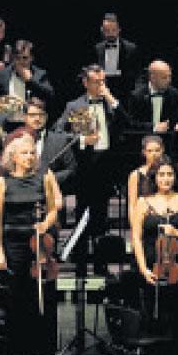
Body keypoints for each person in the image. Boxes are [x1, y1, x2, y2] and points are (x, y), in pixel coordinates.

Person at [131, 156, 178, 355]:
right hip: (152, 268)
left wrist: (176, 232)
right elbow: (137, 238)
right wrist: (143, 268)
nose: (166, 179)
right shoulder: (143, 202)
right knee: (156, 321)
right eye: (162, 175)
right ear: (154, 178)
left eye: (170, 174)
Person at [0, 134, 61, 355]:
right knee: (15, 298)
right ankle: (16, 352)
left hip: (37, 244)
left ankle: (35, 352)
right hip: (12, 244)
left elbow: (53, 210)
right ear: (13, 157)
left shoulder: (43, 178)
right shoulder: (3, 183)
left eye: (32, 152)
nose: (29, 156)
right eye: (24, 153)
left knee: (36, 298)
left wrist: (45, 224)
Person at [53, 64, 127, 245]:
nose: (101, 86)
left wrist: (111, 99)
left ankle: (101, 254)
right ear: (85, 83)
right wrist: (82, 140)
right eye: (96, 82)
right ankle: (81, 255)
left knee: (102, 211)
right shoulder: (74, 105)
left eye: (103, 81)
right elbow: (58, 131)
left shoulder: (110, 103)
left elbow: (127, 122)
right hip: (85, 164)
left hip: (107, 162)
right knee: (83, 211)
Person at [21, 97, 76, 190]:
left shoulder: (60, 140)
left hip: (53, 193)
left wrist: (49, 179)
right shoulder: (13, 140)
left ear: (46, 117)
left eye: (41, 115)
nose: (37, 118)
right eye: (32, 115)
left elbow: (71, 170)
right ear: (24, 117)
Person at [92, 13, 140, 98]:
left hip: (124, 93)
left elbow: (136, 73)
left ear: (119, 30)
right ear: (102, 30)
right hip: (103, 92)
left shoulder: (130, 48)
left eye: (113, 30)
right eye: (107, 31)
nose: (111, 34)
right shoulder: (98, 48)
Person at [127, 60, 178, 133]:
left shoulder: (174, 94)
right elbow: (132, 123)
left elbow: (177, 119)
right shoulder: (137, 96)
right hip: (144, 135)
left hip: (168, 136)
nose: (169, 80)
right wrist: (154, 127)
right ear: (152, 78)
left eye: (169, 76)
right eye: (164, 77)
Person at [0, 39, 54, 104]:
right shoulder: (2, 74)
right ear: (13, 58)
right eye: (18, 58)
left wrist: (30, 81)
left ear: (31, 58)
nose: (21, 62)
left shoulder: (39, 74)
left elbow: (50, 96)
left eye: (25, 58)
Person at [127, 135, 164, 222]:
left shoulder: (168, 171)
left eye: (157, 150)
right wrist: (134, 225)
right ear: (144, 152)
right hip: (144, 218)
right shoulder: (136, 175)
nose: (154, 154)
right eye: (150, 151)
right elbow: (132, 205)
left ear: (162, 150)